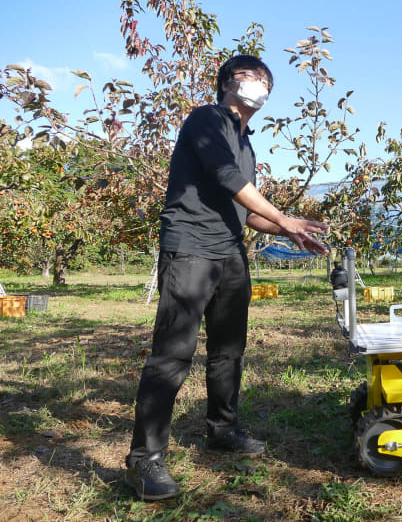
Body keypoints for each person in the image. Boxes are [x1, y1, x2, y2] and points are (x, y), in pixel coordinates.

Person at [124, 54, 329, 501]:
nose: (257, 84)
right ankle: (144, 460)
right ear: (225, 84)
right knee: (173, 355)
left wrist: (290, 232)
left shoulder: (247, 143)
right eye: (248, 77)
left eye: (264, 80)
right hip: (190, 248)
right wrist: (286, 218)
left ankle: (222, 429)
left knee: (229, 349)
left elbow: (246, 211)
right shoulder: (207, 120)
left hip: (230, 251)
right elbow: (226, 177)